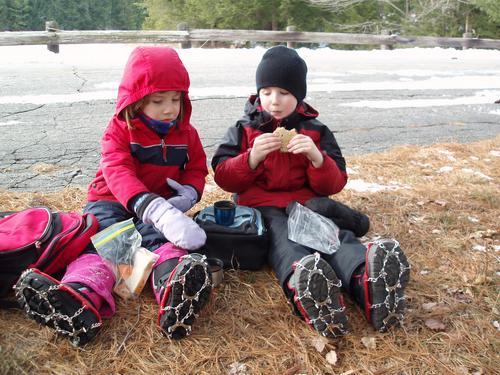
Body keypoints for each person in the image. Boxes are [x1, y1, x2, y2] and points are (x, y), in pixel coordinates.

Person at [14, 46, 212, 346]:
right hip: (111, 201)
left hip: (160, 204)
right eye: (158, 101)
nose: (169, 108)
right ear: (136, 101)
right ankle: (78, 299)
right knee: (107, 244)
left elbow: (196, 168)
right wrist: (151, 206)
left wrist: (188, 194)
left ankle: (176, 285)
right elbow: (117, 171)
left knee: (160, 241)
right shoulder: (119, 130)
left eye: (175, 99)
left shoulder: (187, 134)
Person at [211, 45, 410, 338]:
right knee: (283, 239)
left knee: (333, 236)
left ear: (299, 95)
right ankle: (305, 283)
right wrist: (251, 158)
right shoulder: (244, 129)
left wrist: (317, 158)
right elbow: (224, 177)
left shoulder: (314, 131)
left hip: (306, 204)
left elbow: (334, 183)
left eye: (284, 93)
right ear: (257, 93)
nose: (274, 101)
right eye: (266, 92)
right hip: (261, 207)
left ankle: (367, 280)